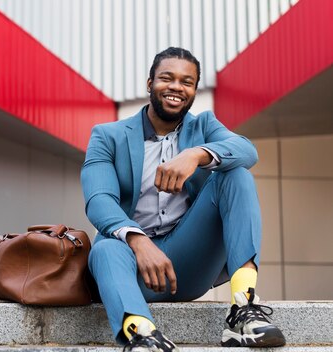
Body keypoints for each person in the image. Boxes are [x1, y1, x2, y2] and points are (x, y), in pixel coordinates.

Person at [81, 47, 286, 351]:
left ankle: (243, 310)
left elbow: (247, 150)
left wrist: (196, 154)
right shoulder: (107, 136)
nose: (177, 87)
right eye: (167, 78)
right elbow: (99, 200)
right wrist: (139, 242)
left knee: (236, 174)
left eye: (187, 82)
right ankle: (142, 336)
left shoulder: (203, 126)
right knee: (106, 248)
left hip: (186, 266)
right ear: (149, 83)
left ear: (193, 90)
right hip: (132, 267)